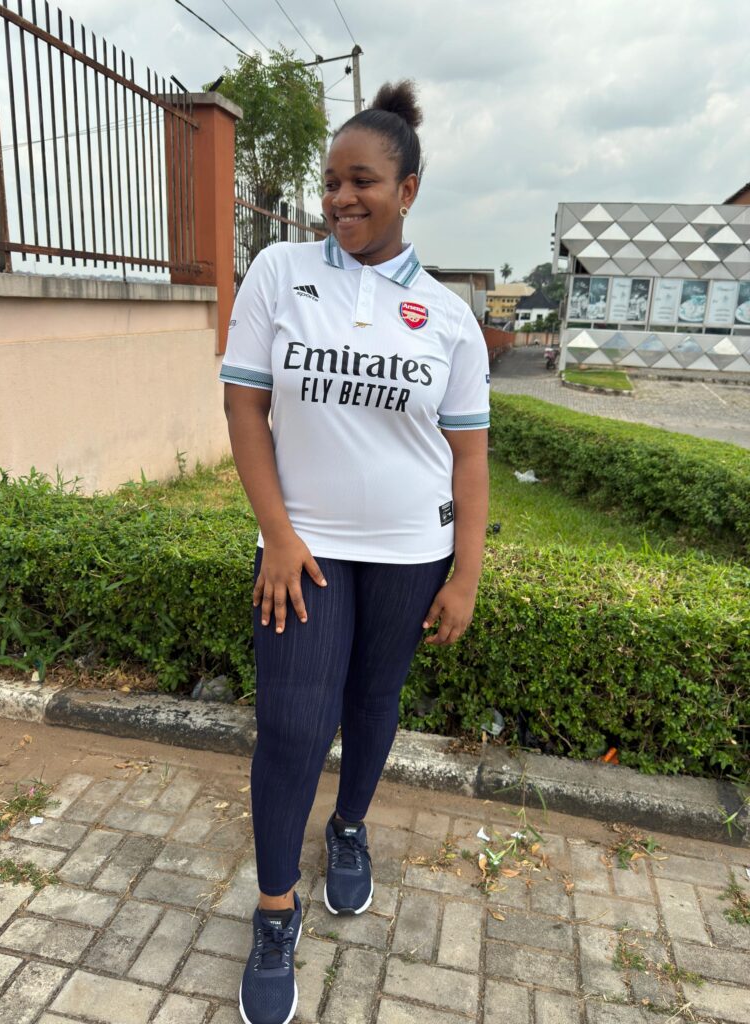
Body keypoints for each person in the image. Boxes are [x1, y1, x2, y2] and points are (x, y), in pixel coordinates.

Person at [220, 80, 490, 1024]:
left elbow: (468, 455)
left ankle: (348, 828)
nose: (341, 198)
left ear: (407, 190)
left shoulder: (450, 318)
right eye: (331, 181)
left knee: (375, 701)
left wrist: (466, 575)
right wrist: (278, 534)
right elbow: (244, 406)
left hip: (412, 549)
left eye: (363, 181)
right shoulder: (280, 271)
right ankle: (274, 910)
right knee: (292, 724)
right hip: (305, 549)